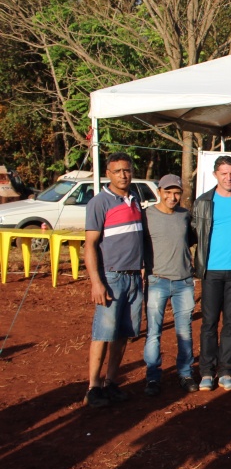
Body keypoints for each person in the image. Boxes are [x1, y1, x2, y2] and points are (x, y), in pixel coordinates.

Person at [83, 152, 144, 407]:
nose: (123, 175)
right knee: (103, 333)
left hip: (134, 278)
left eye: (127, 170)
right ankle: (93, 387)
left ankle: (111, 382)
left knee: (123, 334)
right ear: (108, 174)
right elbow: (90, 245)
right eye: (118, 171)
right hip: (112, 277)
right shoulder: (99, 203)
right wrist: (97, 282)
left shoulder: (136, 198)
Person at [192, 155, 231, 392]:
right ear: (215, 175)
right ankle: (207, 372)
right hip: (211, 272)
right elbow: (193, 234)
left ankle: (226, 371)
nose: (229, 178)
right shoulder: (203, 203)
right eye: (224, 173)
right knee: (209, 324)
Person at [142, 174, 197, 396]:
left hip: (184, 281)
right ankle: (153, 377)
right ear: (159, 192)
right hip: (157, 280)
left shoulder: (185, 215)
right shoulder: (147, 216)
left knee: (184, 331)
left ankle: (185, 374)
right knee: (154, 332)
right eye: (168, 192)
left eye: (176, 193)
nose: (172, 197)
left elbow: (191, 240)